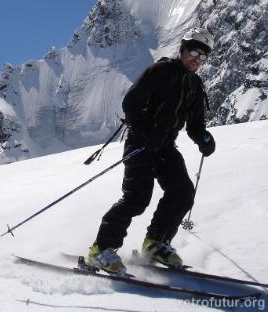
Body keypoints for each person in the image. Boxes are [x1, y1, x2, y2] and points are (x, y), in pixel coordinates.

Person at [86, 27, 216, 275]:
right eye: (193, 52)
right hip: (141, 143)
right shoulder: (161, 71)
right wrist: (148, 130)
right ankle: (101, 250)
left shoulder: (195, 86)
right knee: (136, 199)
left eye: (203, 57)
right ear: (183, 49)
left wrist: (204, 139)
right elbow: (130, 105)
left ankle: (156, 243)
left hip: (166, 146)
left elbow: (196, 125)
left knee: (183, 193)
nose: (196, 60)